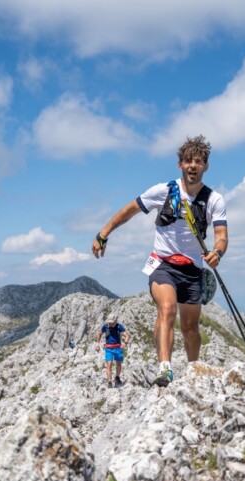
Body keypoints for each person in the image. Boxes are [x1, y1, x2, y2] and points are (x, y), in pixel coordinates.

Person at [91, 135, 228, 387]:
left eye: (198, 161)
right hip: (162, 264)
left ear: (206, 166)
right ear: (180, 164)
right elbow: (128, 211)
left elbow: (221, 237)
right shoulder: (163, 191)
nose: (192, 166)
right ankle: (165, 369)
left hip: (192, 270)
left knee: (190, 327)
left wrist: (217, 253)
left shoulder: (214, 200)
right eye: (188, 160)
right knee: (166, 309)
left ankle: (193, 370)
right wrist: (103, 234)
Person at [95, 316, 129, 388]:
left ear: (115, 321)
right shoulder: (105, 326)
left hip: (118, 348)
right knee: (109, 364)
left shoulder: (119, 326)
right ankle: (109, 381)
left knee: (118, 365)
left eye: (112, 323)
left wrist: (125, 343)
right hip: (108, 348)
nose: (110, 324)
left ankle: (117, 377)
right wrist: (97, 345)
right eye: (109, 322)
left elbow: (126, 335)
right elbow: (99, 334)